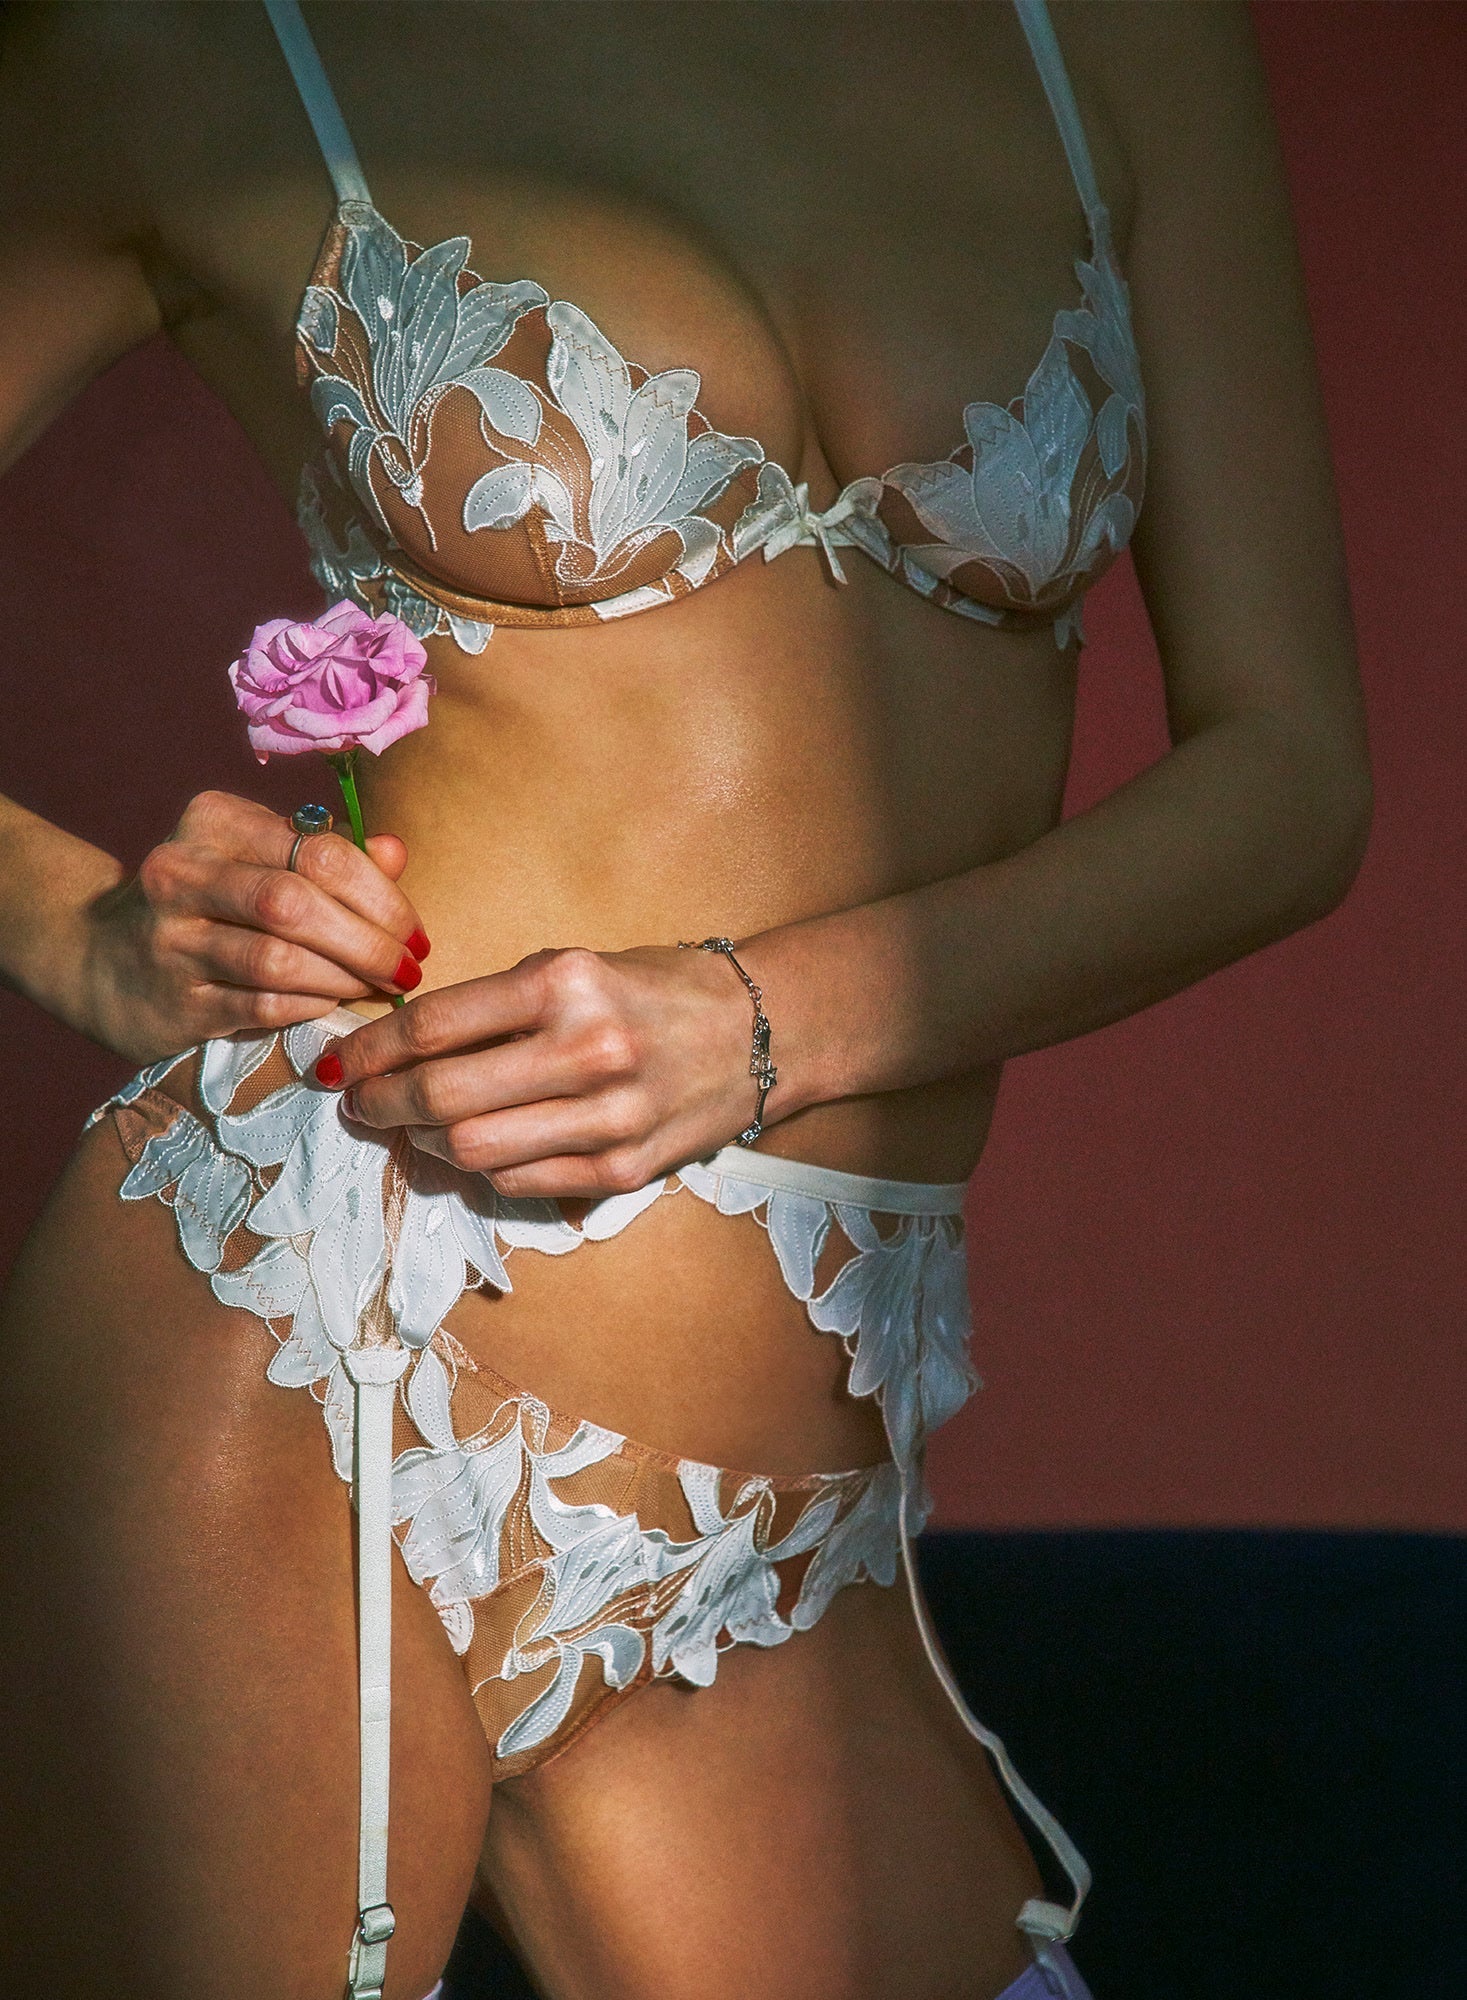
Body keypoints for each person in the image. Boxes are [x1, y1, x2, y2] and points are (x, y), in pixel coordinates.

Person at [0, 3, 1370, 1996]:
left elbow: (1291, 776)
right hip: (317, 1330)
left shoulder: (1108, 36)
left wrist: (759, 1020)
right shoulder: (194, 45)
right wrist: (72, 928)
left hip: (787, 1518)